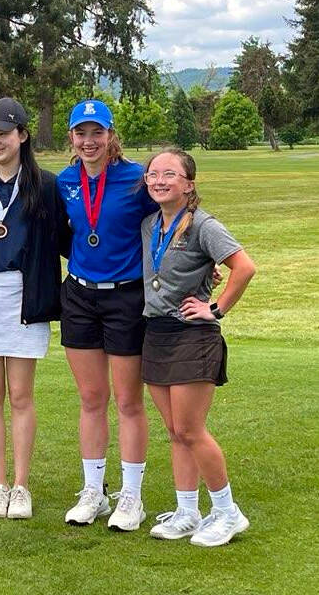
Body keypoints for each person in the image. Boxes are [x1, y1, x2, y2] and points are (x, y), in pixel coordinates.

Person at [0, 98, 70, 519]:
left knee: (20, 394)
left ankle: (21, 486)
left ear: (23, 135)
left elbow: (67, 241)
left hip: (26, 297)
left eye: (3, 133)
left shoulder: (47, 185)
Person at [140, 148, 255, 546]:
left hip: (192, 336)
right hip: (156, 333)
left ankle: (227, 512)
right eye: (153, 174)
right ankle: (188, 511)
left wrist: (215, 308)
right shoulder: (149, 224)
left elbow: (244, 266)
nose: (158, 181)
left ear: (189, 184)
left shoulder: (205, 225)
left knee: (191, 429)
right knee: (174, 430)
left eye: (168, 174)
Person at [56, 100, 158, 531]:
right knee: (91, 399)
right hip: (79, 296)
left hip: (126, 298)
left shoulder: (137, 179)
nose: (89, 141)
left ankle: (131, 496)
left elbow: (170, 224)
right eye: (81, 133)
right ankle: (94, 492)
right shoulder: (65, 181)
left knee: (128, 400)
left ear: (112, 135)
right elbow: (67, 235)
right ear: (72, 138)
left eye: (97, 133)